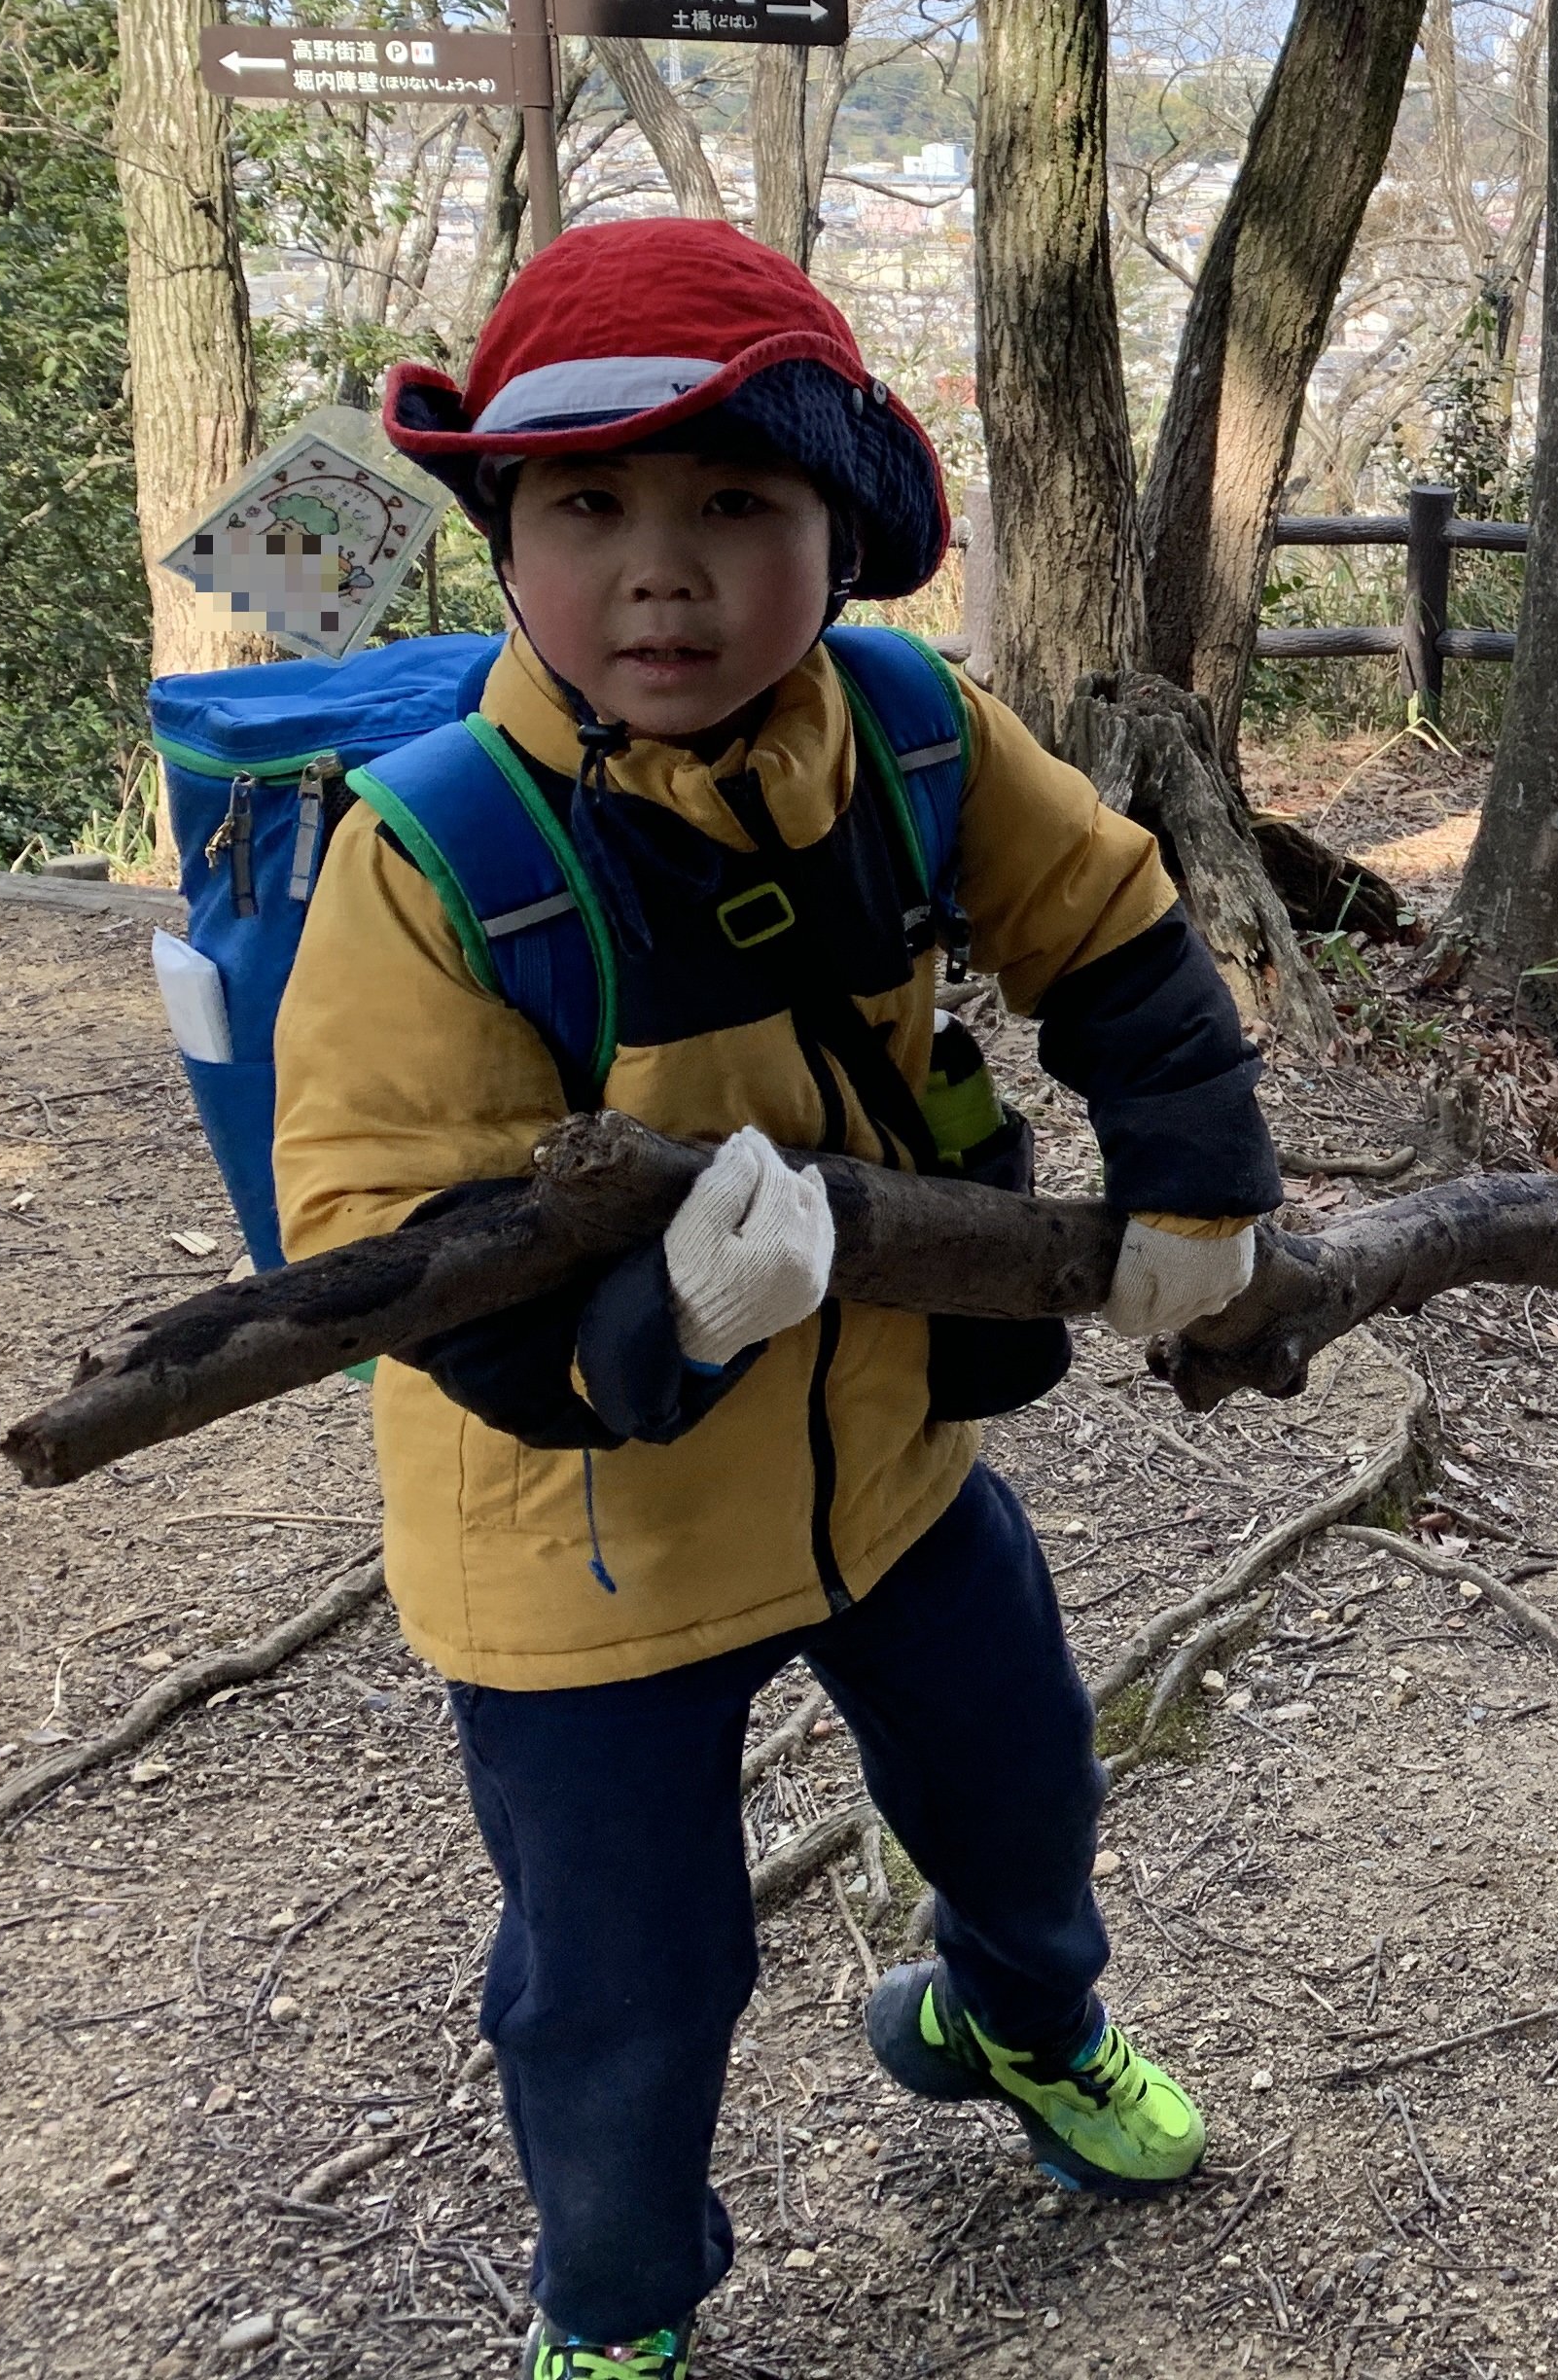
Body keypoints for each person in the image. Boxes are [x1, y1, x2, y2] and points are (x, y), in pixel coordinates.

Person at [279, 218, 1282, 2380]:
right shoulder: (439, 849)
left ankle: (1014, 2026)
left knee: (1023, 1790)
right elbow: (392, 1237)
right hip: (581, 1550)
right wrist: (671, 1326)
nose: (666, 572)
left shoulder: (910, 728)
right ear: (507, 539)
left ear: (838, 527)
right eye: (591, 508)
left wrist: (1198, 1186)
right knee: (625, 1977)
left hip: (892, 1464)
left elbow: (1101, 920)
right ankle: (615, 2313)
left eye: (738, 504)